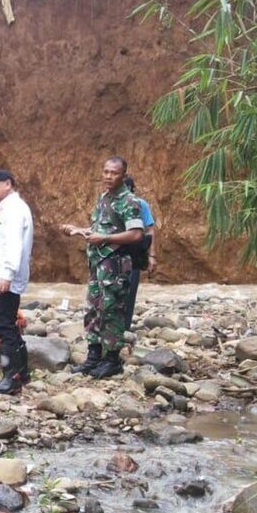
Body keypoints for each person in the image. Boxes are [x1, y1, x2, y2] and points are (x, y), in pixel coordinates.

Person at [61, 156, 144, 379]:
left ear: (123, 176)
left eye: (113, 173)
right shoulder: (104, 198)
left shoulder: (129, 201)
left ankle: (112, 360)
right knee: (93, 309)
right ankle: (93, 357)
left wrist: (105, 238)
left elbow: (136, 233)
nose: (108, 176)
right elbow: (99, 229)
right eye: (105, 171)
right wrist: (78, 230)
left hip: (116, 266)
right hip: (98, 265)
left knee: (111, 311)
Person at [0, 171, 34, 394]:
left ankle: (11, 377)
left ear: (8, 184)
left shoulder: (13, 209)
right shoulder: (11, 207)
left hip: (5, 276)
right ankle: (22, 371)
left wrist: (7, 273)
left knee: (4, 327)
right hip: (5, 275)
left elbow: (13, 244)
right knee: (9, 324)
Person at [122, 175, 157, 332]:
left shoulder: (140, 204)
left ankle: (125, 326)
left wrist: (152, 255)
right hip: (113, 255)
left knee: (129, 291)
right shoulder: (108, 203)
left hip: (134, 254)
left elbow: (150, 230)